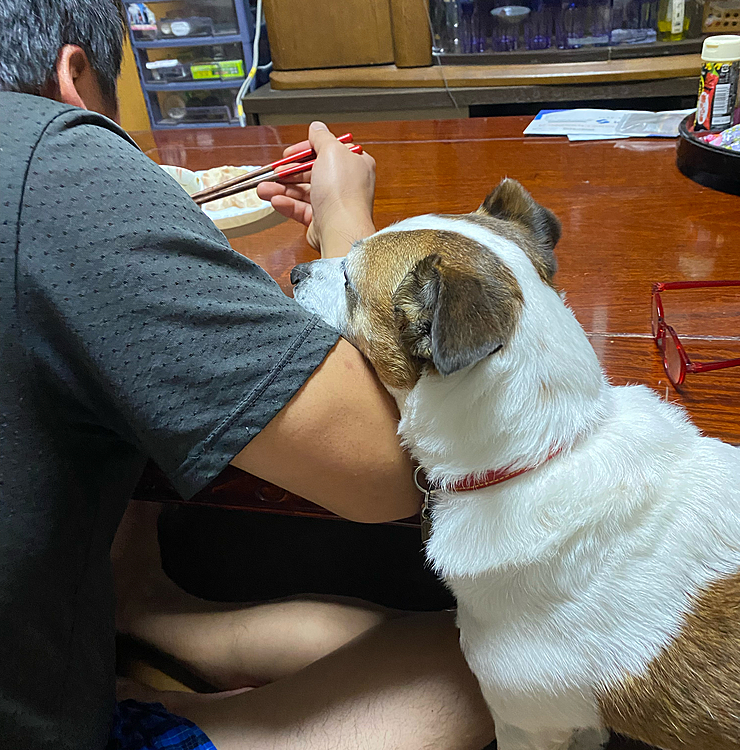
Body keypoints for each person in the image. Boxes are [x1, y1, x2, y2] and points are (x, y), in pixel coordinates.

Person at [0, 1, 495, 749]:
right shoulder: (55, 158)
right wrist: (343, 219)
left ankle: (141, 609)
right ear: (76, 79)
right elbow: (385, 467)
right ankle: (174, 716)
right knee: (507, 661)